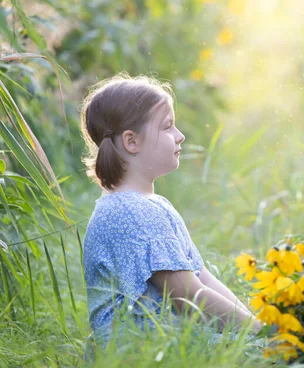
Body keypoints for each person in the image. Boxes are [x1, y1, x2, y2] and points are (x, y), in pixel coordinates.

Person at [80, 74, 261, 353]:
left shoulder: (153, 204)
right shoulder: (130, 212)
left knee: (283, 341)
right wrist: (261, 335)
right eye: (168, 127)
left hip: (171, 344)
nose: (180, 136)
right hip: (144, 353)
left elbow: (202, 278)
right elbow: (188, 295)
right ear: (132, 142)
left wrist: (255, 327)